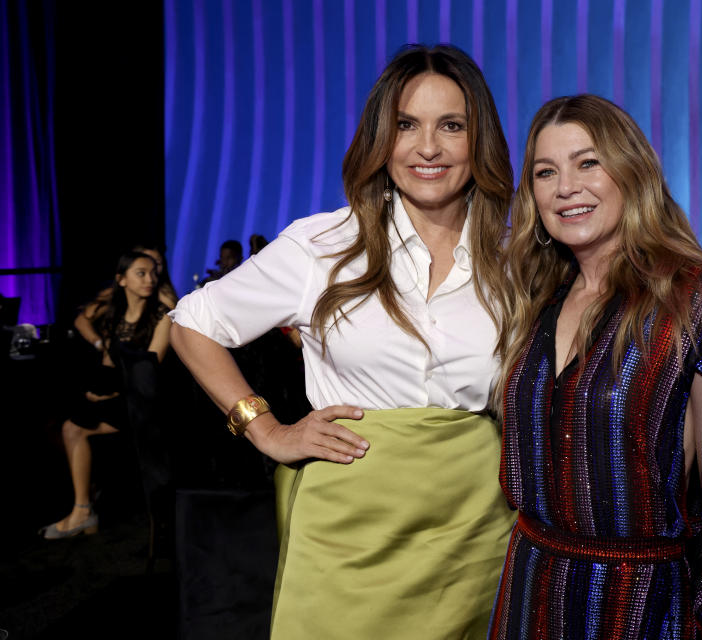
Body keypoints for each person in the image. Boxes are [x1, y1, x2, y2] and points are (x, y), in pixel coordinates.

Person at [169, 44, 515, 639]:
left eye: (451, 126)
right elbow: (192, 322)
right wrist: (265, 427)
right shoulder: (323, 245)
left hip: (475, 528)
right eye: (407, 125)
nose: (427, 147)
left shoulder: (516, 262)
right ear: (382, 138)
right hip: (348, 522)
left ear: (477, 140)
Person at [488, 95, 702, 639]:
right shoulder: (533, 295)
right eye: (546, 172)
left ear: (631, 170)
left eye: (587, 162)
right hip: (528, 589)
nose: (566, 186)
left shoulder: (699, 300)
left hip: (639, 605)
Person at [41, 251, 172, 538]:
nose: (149, 279)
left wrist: (109, 394)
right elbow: (85, 327)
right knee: (63, 420)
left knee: (73, 427)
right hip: (117, 393)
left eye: (153, 273)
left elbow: (148, 370)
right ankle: (84, 501)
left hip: (143, 402)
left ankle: (83, 510)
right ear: (121, 280)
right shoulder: (112, 312)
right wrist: (101, 347)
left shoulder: (162, 316)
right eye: (141, 273)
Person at [74, 244, 177, 353]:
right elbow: (82, 320)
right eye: (141, 271)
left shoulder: (166, 301)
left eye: (157, 263)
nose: (150, 277)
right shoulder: (113, 296)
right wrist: (99, 343)